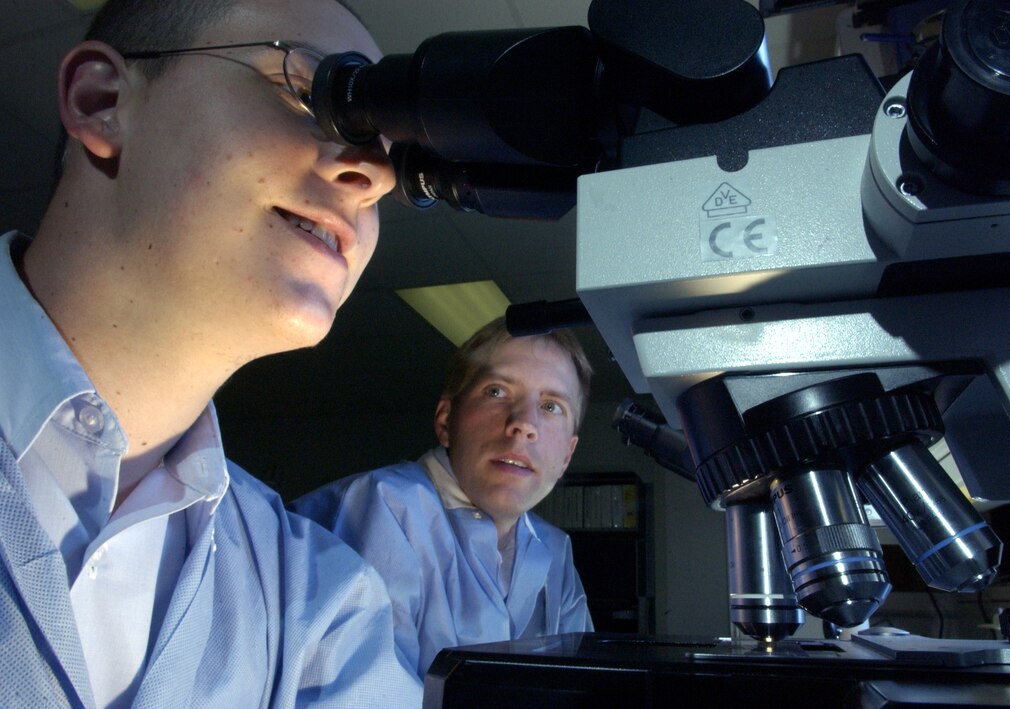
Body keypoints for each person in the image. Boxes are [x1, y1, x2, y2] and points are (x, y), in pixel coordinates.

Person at [1, 0, 422, 705]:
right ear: (102, 102)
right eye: (314, 93)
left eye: (388, 152)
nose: (372, 176)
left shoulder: (319, 605)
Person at [291, 317, 595, 680]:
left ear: (567, 456)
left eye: (551, 407)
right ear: (446, 420)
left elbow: (581, 686)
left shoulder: (555, 551)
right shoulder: (377, 508)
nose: (523, 423)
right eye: (496, 391)